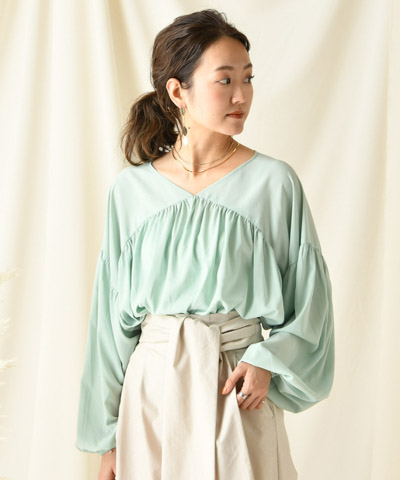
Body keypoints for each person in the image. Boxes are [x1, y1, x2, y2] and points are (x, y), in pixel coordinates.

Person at [75, 8, 335, 480]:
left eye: (248, 78)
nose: (242, 95)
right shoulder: (130, 192)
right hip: (151, 397)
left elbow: (311, 305)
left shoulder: (274, 183)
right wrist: (106, 438)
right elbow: (109, 327)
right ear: (178, 91)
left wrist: (268, 361)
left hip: (236, 389)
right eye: (225, 80)